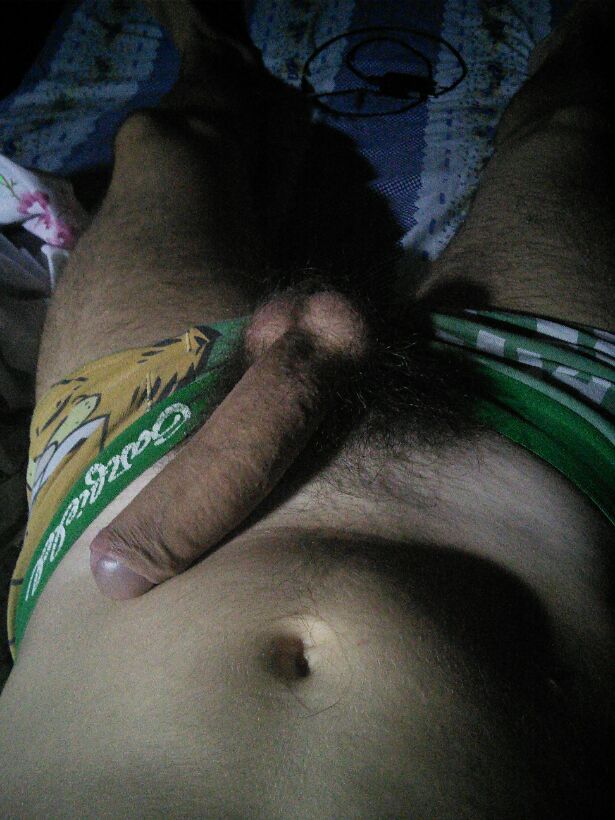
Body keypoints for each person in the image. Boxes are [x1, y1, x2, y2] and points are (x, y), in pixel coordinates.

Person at [0, 0, 612, 815]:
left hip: (126, 450)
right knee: (577, 131)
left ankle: (215, 53)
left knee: (163, 141)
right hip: (549, 448)